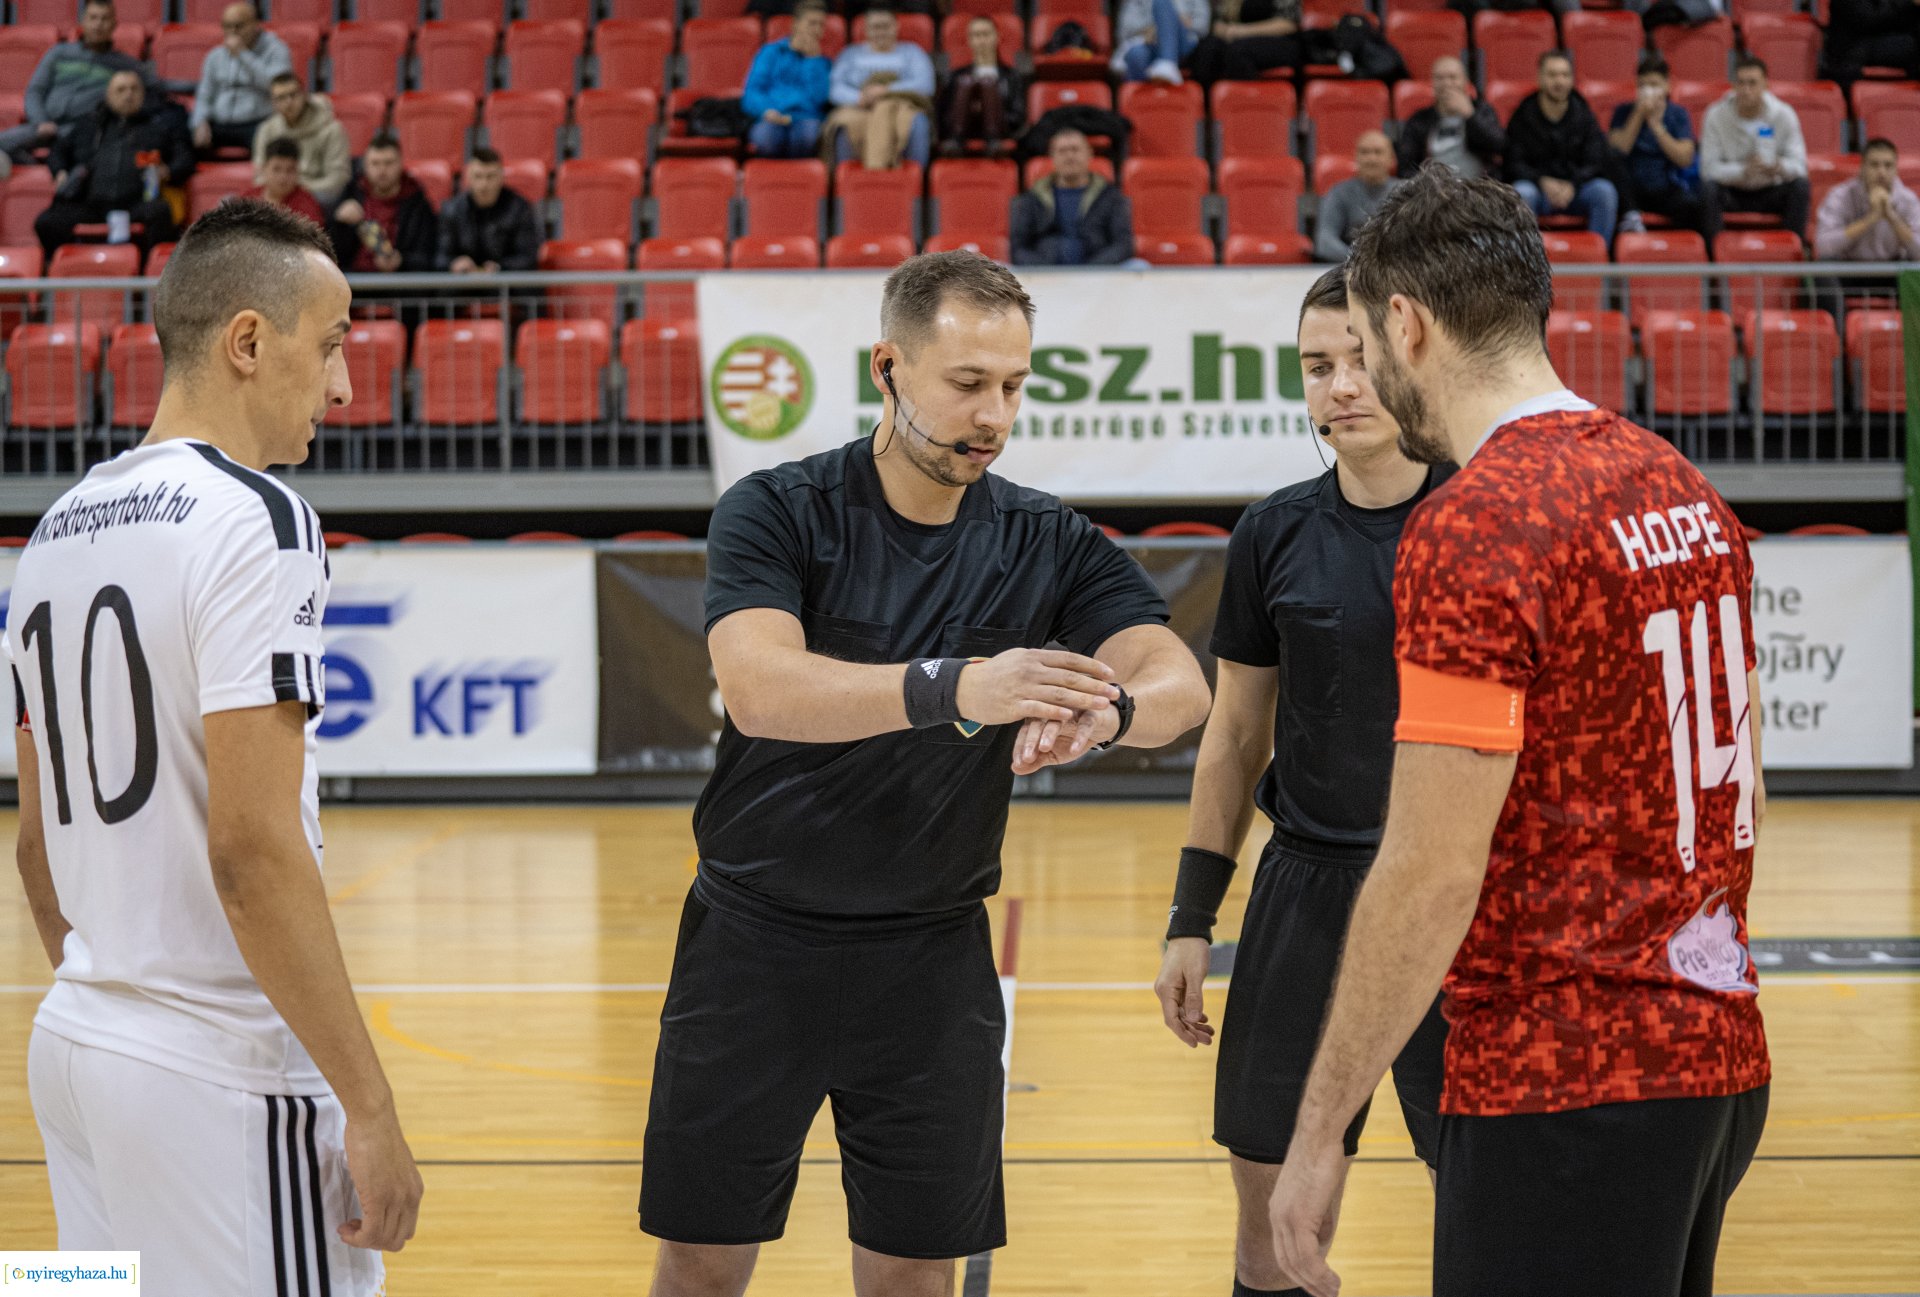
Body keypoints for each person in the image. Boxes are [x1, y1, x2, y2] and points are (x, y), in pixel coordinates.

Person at [638, 249, 1211, 1297]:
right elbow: (759, 684)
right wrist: (952, 688)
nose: (994, 413)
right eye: (966, 384)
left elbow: (1179, 679)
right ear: (888, 369)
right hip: (754, 944)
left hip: (934, 958)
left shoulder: (1046, 537)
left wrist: (1112, 711)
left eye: (1014, 386)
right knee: (705, 1262)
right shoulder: (778, 510)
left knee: (914, 1271)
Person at [1268, 164, 1770, 1297]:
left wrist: (1319, 1132)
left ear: (1404, 322)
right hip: (1717, 1060)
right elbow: (1744, 788)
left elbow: (1432, 870)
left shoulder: (1478, 522)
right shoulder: (1681, 486)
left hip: (1564, 1088)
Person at [5, 197, 423, 1297]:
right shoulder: (259, 519)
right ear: (249, 341)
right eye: (330, 347)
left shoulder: (54, 527)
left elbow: (37, 849)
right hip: (221, 1072)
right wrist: (371, 1109)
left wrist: (115, 1001)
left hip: (77, 1048)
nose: (342, 387)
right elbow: (252, 849)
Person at [1152, 265, 1451, 1297]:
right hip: (1307, 900)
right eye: (1317, 366)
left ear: (1412, 354)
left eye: (1360, 360)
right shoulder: (1273, 531)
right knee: (1277, 1241)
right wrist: (1192, 916)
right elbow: (1234, 736)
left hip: (1461, 900)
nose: (1340, 387)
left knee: (1493, 1214)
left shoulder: (1486, 519)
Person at [0, 0, 167, 178]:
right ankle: (32, 165)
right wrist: (40, 120)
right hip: (44, 126)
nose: (98, 24)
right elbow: (35, 91)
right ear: (82, 21)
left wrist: (195, 87)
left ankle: (40, 167)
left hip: (80, 132)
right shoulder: (58, 53)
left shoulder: (125, 65)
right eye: (93, 18)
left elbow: (160, 86)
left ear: (114, 24)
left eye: (104, 19)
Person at [35, 71, 192, 259]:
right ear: (108, 95)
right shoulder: (89, 124)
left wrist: (168, 171)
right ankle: (70, 268)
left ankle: (149, 273)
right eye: (121, 90)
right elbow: (57, 151)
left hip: (137, 202)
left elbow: (185, 158)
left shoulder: (159, 126)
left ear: (143, 94)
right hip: (91, 203)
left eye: (134, 89)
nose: (128, 95)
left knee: (160, 213)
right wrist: (59, 171)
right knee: (47, 222)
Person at [1504, 49, 1620, 241]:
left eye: (1565, 75)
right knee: (1522, 193)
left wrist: (1573, 184)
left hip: (1576, 190)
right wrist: (1542, 180)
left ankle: (1599, 265)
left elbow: (1596, 160)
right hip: (1538, 189)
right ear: (1540, 78)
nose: (1559, 81)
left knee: (1604, 191)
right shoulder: (1522, 116)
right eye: (1552, 75)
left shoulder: (1584, 114)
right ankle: (1526, 265)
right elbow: (1513, 162)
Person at [1701, 56, 1811, 242]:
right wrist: (1743, 171)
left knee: (1800, 186)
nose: (1746, 90)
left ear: (1765, 85)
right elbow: (1708, 170)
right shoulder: (1715, 115)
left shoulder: (1784, 115)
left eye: (1752, 83)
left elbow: (1800, 166)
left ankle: (1793, 257)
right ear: (1733, 86)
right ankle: (1715, 261)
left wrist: (1779, 167)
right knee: (1707, 190)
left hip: (1771, 190)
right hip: (1732, 192)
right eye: (1741, 83)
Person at [825, 8, 936, 170]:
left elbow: (925, 85)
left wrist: (886, 91)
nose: (881, 32)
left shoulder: (913, 52)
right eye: (875, 27)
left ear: (895, 27)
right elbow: (835, 88)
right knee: (843, 125)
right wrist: (859, 98)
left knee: (918, 122)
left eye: (885, 26)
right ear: (866, 30)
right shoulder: (850, 54)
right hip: (859, 107)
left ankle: (915, 184)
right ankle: (848, 184)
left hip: (901, 107)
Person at [1607, 54, 1706, 236]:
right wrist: (1638, 115)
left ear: (1667, 86)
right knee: (1610, 174)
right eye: (1643, 85)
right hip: (1630, 190)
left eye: (1654, 85)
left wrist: (1657, 126)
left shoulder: (1678, 114)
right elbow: (1617, 150)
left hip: (1665, 186)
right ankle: (1631, 217)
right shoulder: (1623, 111)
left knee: (1692, 206)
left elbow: (1685, 158)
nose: (1648, 91)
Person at [1009, 128, 1136, 266]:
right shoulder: (1030, 199)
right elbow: (1018, 250)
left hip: (1100, 273)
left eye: (1075, 150)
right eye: (1062, 151)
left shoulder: (1111, 197)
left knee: (1138, 266)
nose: (1069, 156)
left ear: (1089, 154)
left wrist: (1091, 271)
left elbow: (1124, 245)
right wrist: (1046, 272)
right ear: (1052, 157)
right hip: (1043, 275)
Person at [327, 133, 438, 274]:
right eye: (375, 163)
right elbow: (330, 252)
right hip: (352, 282)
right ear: (365, 166)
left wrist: (402, 261)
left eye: (388, 163)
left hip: (400, 285)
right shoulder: (351, 194)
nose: (382, 170)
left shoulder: (418, 203)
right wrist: (339, 222)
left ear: (400, 164)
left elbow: (429, 256)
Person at [191, 4, 292, 153]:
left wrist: (243, 54)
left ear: (256, 24)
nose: (232, 32)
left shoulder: (277, 50)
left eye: (239, 26)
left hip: (259, 123)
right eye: (227, 27)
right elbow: (205, 94)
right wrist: (200, 122)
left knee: (274, 143)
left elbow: (276, 86)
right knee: (179, 138)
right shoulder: (215, 56)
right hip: (219, 123)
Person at [742, 0, 833, 160]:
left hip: (806, 118)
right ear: (796, 24)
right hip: (771, 115)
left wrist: (813, 61)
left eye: (821, 25)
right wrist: (766, 110)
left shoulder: (822, 61)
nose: (817, 30)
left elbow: (820, 99)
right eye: (812, 23)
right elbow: (752, 91)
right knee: (766, 138)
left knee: (808, 137)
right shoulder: (770, 52)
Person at [1396, 55, 1504, 181]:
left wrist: (1470, 115)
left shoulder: (1482, 111)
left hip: (1478, 188)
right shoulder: (1419, 119)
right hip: (1434, 191)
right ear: (1432, 82)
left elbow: (1499, 146)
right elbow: (1405, 165)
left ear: (1465, 80)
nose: (1447, 83)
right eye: (1440, 78)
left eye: (1453, 77)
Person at [436, 147, 541, 273]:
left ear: (501, 177)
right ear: (468, 177)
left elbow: (528, 257)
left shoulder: (519, 209)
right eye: (478, 176)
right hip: (463, 285)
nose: (484, 184)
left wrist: (501, 268)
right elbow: (439, 257)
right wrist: (454, 263)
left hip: (505, 285)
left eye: (490, 176)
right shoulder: (451, 210)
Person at [252, 74, 351, 206]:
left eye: (293, 95)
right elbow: (260, 175)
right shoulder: (267, 129)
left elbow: (337, 180)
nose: (288, 102)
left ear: (305, 95)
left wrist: (296, 188)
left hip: (317, 195)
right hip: (278, 193)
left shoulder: (332, 129)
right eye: (281, 98)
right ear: (273, 103)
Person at [1814, 138, 1920, 262]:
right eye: (1874, 165)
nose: (1881, 172)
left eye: (1888, 165)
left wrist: (1892, 217)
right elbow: (1823, 246)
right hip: (1850, 269)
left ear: (1896, 169)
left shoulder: (1907, 199)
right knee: (1824, 265)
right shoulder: (1840, 196)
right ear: (1862, 168)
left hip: (1892, 269)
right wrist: (1871, 218)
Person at [939, 16, 1023, 157]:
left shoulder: (1011, 76)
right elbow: (945, 112)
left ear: (997, 37)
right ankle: (956, 140)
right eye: (976, 35)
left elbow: (1018, 115)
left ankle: (993, 140)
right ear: (969, 40)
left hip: (1001, 129)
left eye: (986, 34)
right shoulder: (956, 75)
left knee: (987, 83)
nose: (981, 40)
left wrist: (990, 107)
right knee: (966, 82)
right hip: (962, 127)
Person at [1314, 129, 1399, 262]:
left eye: (1378, 152)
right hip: (1351, 270)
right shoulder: (1339, 192)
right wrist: (1360, 262)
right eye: (1364, 152)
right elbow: (1324, 242)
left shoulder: (1407, 192)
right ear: (1356, 157)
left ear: (1392, 159)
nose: (1371, 158)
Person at [1185, 0, 1302, 88]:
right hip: (1234, 39)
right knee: (1206, 49)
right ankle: (1206, 111)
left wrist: (1243, 31)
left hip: (1279, 41)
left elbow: (1288, 24)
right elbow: (1216, 20)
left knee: (1238, 52)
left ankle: (1247, 108)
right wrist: (1219, 28)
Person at [1821, 0, 1919, 87]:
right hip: (1853, 49)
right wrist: (1908, 3)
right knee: (1913, 45)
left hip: (1875, 39)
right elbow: (1868, 19)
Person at [1113, 0, 1211, 84]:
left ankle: (1168, 62)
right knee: (1135, 54)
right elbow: (1125, 29)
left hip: (1184, 42)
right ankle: (1145, 102)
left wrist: (1173, 24)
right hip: (1152, 42)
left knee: (1162, 2)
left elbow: (1203, 25)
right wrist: (1152, 30)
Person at [243, 136, 328, 224]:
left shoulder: (308, 206)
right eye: (276, 169)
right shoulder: (248, 198)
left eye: (290, 170)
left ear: (298, 171)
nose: (283, 177)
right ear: (264, 169)